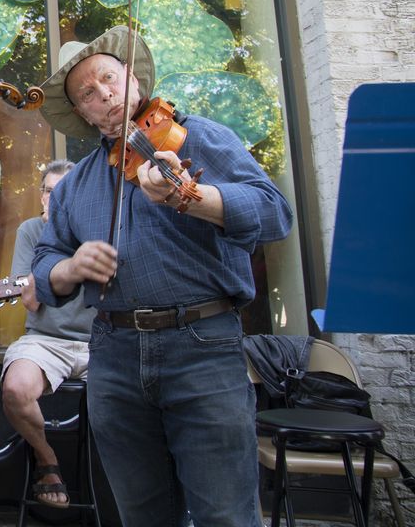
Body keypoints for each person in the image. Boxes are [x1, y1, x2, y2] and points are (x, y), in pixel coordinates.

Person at [30, 26, 293, 527]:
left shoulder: (201, 137)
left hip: (203, 346)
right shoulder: (74, 186)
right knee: (141, 513)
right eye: (87, 92)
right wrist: (70, 267)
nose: (103, 93)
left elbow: (274, 214)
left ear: (131, 78)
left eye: (108, 78)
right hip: (113, 355)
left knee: (225, 513)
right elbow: (44, 268)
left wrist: (188, 195)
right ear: (82, 114)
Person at [0, 158, 88, 510]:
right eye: (49, 192)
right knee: (16, 388)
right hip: (47, 340)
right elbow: (32, 302)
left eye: (62, 192)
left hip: (104, 341)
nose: (54, 199)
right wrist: (53, 240)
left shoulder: (99, 230)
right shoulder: (31, 231)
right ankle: (47, 460)